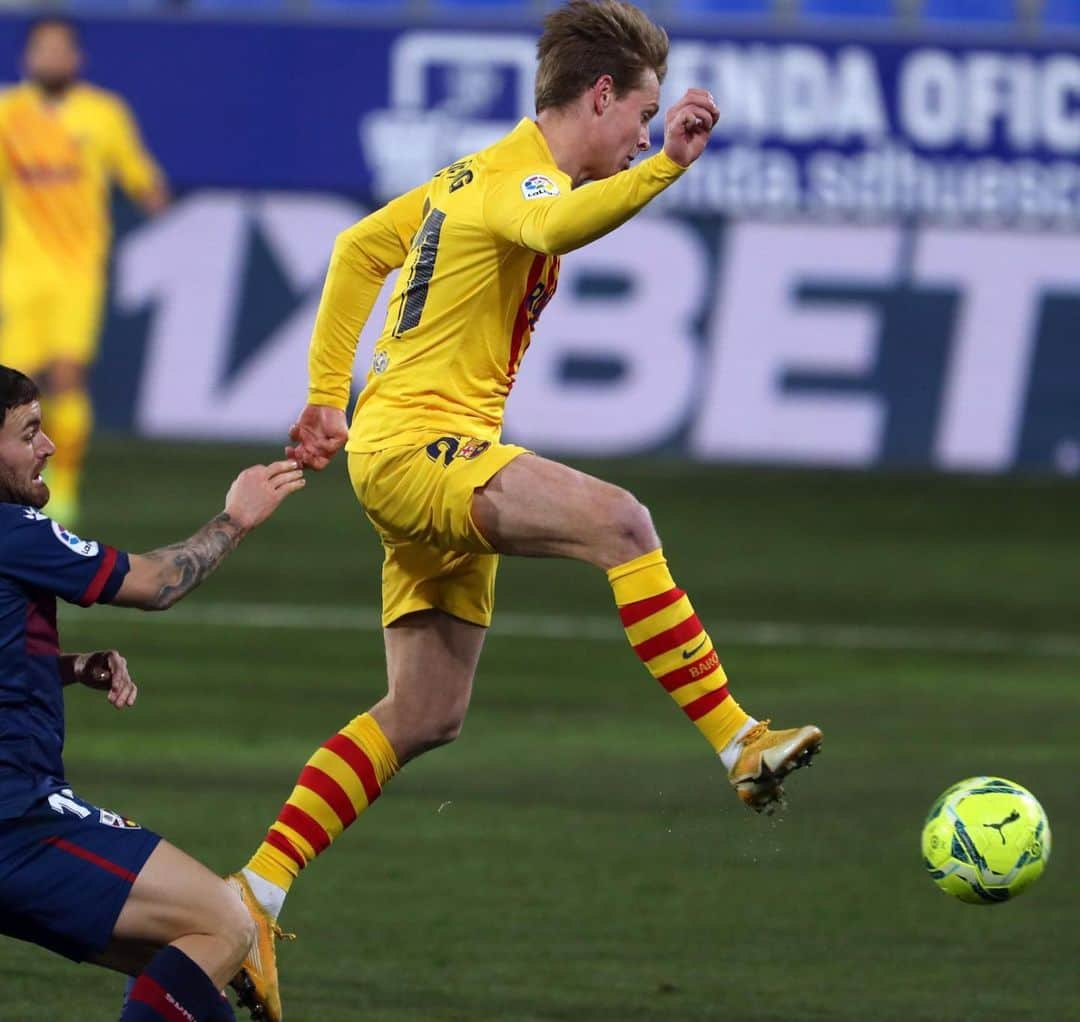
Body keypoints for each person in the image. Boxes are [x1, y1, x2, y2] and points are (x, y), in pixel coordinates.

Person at [230, 3, 822, 1019]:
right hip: (425, 449)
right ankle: (739, 740)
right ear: (598, 97)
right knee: (624, 523)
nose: (640, 134)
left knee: (425, 712)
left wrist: (329, 392)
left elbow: (358, 251)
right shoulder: (519, 182)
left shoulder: (466, 175)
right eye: (637, 115)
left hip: (402, 452)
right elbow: (554, 223)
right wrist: (667, 168)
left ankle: (251, 897)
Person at [0, 364, 305, 1022]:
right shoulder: (14, 531)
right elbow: (156, 583)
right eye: (28, 433)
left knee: (178, 964)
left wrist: (63, 666)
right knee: (225, 926)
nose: (49, 446)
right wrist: (237, 516)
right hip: (17, 823)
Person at [0, 16, 169, 526]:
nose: (51, 58)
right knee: (10, 391)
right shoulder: (8, 113)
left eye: (60, 49)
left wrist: (154, 200)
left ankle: (62, 487)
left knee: (68, 375)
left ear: (77, 58)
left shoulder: (103, 114)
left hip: (78, 273)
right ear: (28, 58)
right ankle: (9, 485)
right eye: (42, 49)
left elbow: (143, 178)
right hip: (20, 272)